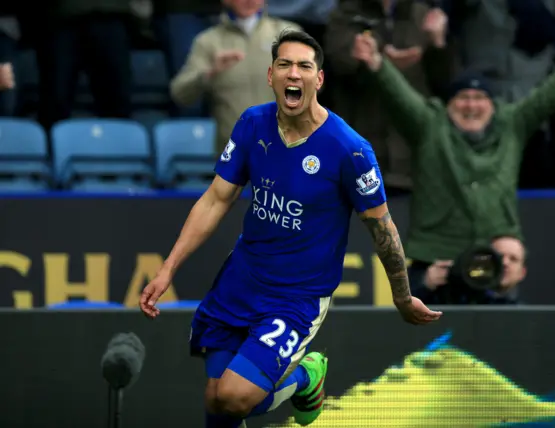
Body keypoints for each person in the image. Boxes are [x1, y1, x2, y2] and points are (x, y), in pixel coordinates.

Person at [139, 30, 442, 428]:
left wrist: (402, 297)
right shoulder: (252, 124)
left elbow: (382, 230)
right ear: (271, 76)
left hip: (295, 298)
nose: (292, 73)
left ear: (319, 80)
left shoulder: (349, 149)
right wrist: (168, 269)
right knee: (216, 403)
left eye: (304, 66)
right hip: (241, 282)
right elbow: (216, 199)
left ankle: (305, 375)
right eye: (284, 64)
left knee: (234, 397)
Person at [351, 20, 555, 290]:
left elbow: (554, 91)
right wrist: (377, 63)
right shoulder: (430, 127)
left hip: (499, 257)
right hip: (436, 261)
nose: (471, 105)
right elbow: (399, 96)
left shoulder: (512, 124)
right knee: (427, 338)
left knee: (501, 335)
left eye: (479, 98)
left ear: (493, 104)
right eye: (462, 98)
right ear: (448, 105)